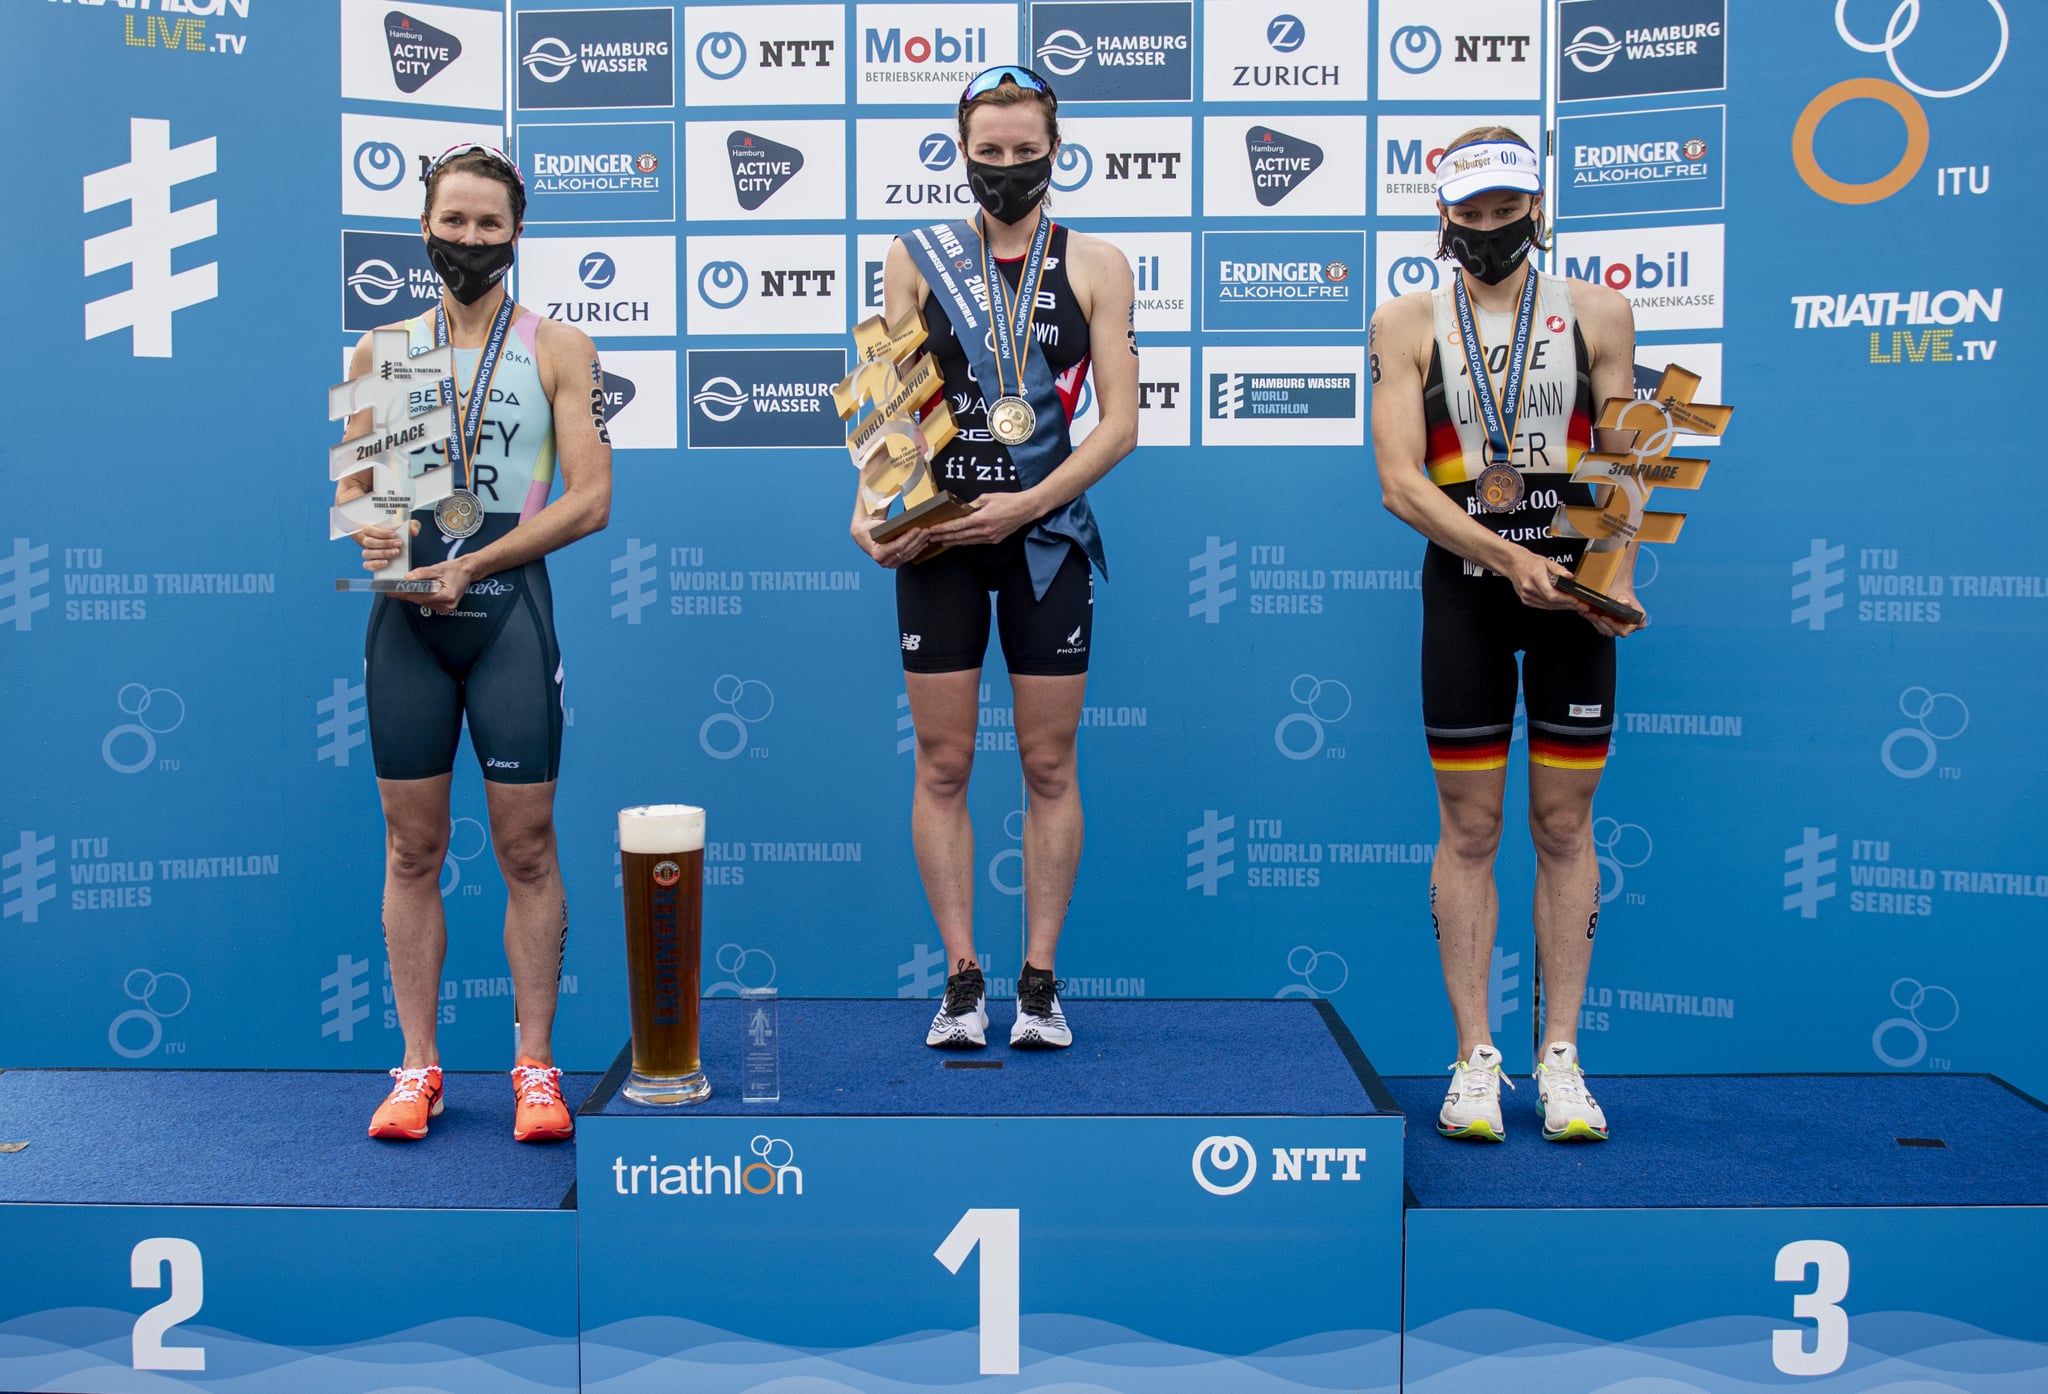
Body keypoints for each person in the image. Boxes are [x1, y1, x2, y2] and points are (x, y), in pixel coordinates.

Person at [852, 66, 1138, 1050]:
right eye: (990, 152)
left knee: (1048, 761)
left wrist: (1020, 505)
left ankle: (1040, 979)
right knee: (943, 760)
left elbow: (1120, 425)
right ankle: (962, 978)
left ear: (1055, 150)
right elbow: (889, 406)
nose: (1007, 168)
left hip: (1044, 540)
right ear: (960, 149)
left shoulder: (1096, 262)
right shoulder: (915, 255)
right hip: (937, 538)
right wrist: (870, 505)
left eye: (1026, 152)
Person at [336, 144, 612, 1141]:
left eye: (488, 224)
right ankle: (417, 1066)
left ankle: (535, 1065)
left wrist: (477, 561)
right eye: (452, 221)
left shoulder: (556, 346)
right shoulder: (379, 348)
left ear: (515, 233)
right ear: (423, 227)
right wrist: (379, 540)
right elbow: (355, 500)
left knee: (525, 846)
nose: (468, 239)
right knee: (411, 846)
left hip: (505, 619)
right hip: (408, 628)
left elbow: (590, 500)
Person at [1369, 128, 1640, 1142]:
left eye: (1503, 210)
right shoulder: (1404, 320)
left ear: (1535, 204)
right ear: (1442, 217)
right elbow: (1399, 481)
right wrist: (1506, 555)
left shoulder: (1599, 311)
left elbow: (1625, 465)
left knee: (1564, 826)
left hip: (1571, 598)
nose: (1487, 229)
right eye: (1469, 214)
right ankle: (1473, 1055)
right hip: (1467, 593)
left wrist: (1607, 574)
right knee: (1470, 829)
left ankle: (1560, 1055)